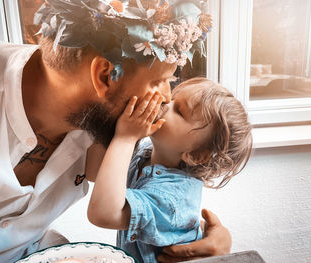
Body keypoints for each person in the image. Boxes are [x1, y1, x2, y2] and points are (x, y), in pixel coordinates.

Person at [0, 0, 231, 262]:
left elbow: (149, 177)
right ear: (104, 76)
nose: (165, 97)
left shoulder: (101, 117)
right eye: (158, 81)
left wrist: (211, 238)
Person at [87, 77, 253, 263]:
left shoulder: (172, 199)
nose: (166, 102)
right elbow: (94, 172)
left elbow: (102, 214)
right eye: (173, 98)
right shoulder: (146, 152)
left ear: (195, 155)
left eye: (180, 111)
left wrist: (124, 138)